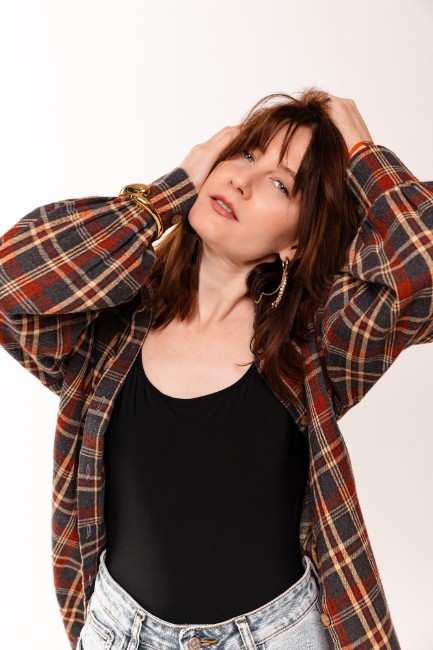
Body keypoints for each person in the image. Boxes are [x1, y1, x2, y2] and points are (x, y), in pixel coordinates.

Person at [0, 88, 432, 650]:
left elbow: (424, 270)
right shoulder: (112, 324)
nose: (242, 181)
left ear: (299, 241)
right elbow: (13, 280)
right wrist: (167, 194)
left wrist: (363, 156)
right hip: (118, 632)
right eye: (245, 154)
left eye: (280, 184)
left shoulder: (318, 341)